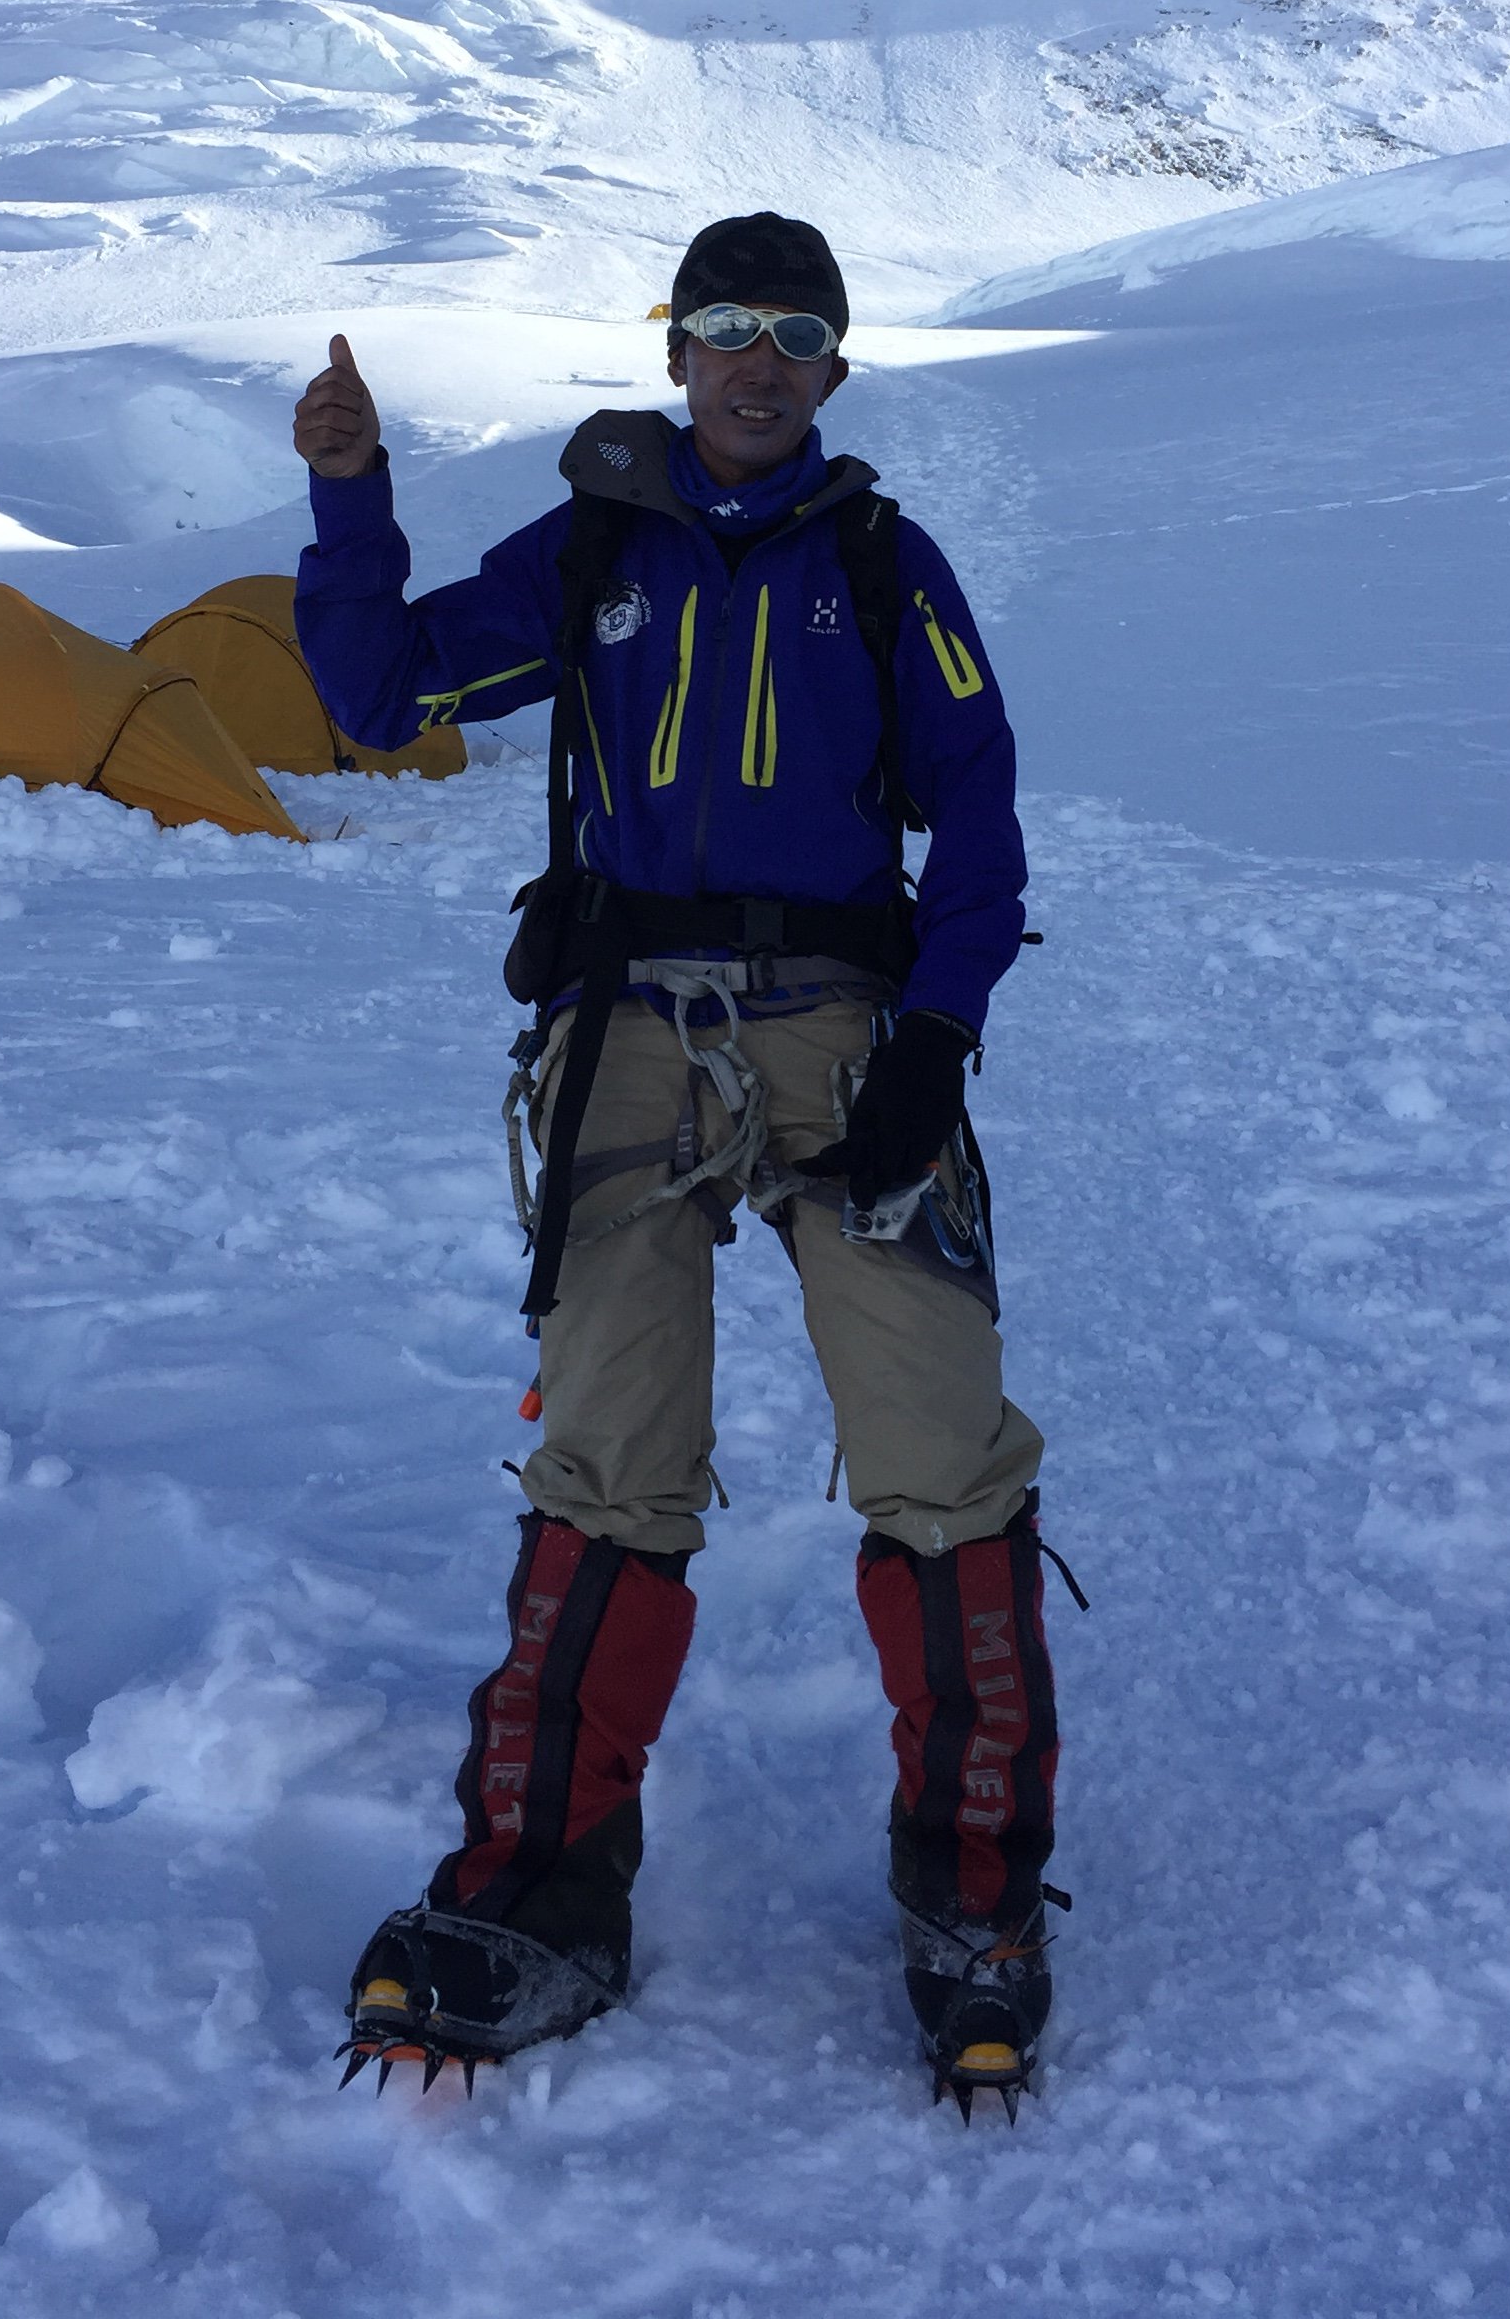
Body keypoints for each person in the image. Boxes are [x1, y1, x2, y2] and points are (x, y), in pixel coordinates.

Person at [290, 211, 1064, 2117]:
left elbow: (978, 809)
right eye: (725, 324)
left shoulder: (883, 563)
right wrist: (350, 498)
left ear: (835, 367)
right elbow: (381, 696)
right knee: (610, 1456)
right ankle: (537, 1889)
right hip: (630, 1027)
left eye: (795, 333)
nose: (757, 363)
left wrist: (938, 1036)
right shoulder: (596, 547)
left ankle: (974, 1898)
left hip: (842, 1027)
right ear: (675, 350)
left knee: (941, 1452)